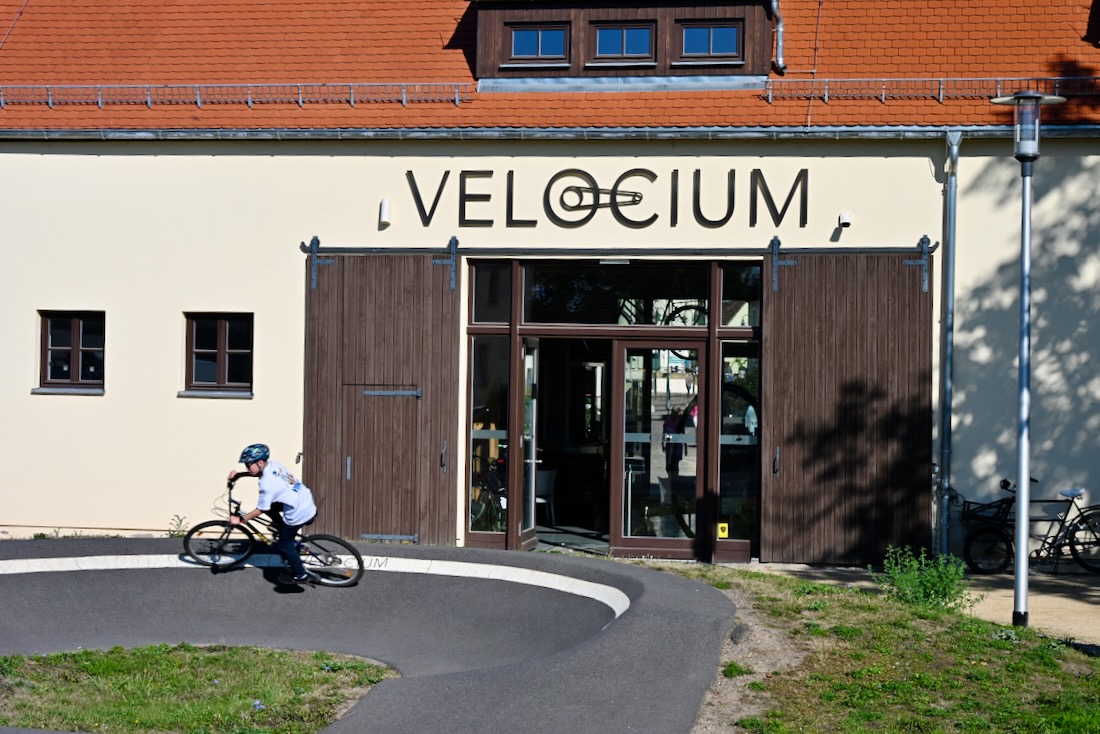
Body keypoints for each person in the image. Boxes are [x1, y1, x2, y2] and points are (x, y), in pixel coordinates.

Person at [228, 443, 317, 584]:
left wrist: (241, 520)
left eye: (248, 465)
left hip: (298, 512)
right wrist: (240, 475)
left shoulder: (266, 485)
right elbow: (260, 473)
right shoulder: (274, 465)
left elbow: (261, 509)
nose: (246, 467)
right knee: (273, 507)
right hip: (304, 499)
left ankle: (301, 575)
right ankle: (281, 526)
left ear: (260, 462)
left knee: (285, 544)